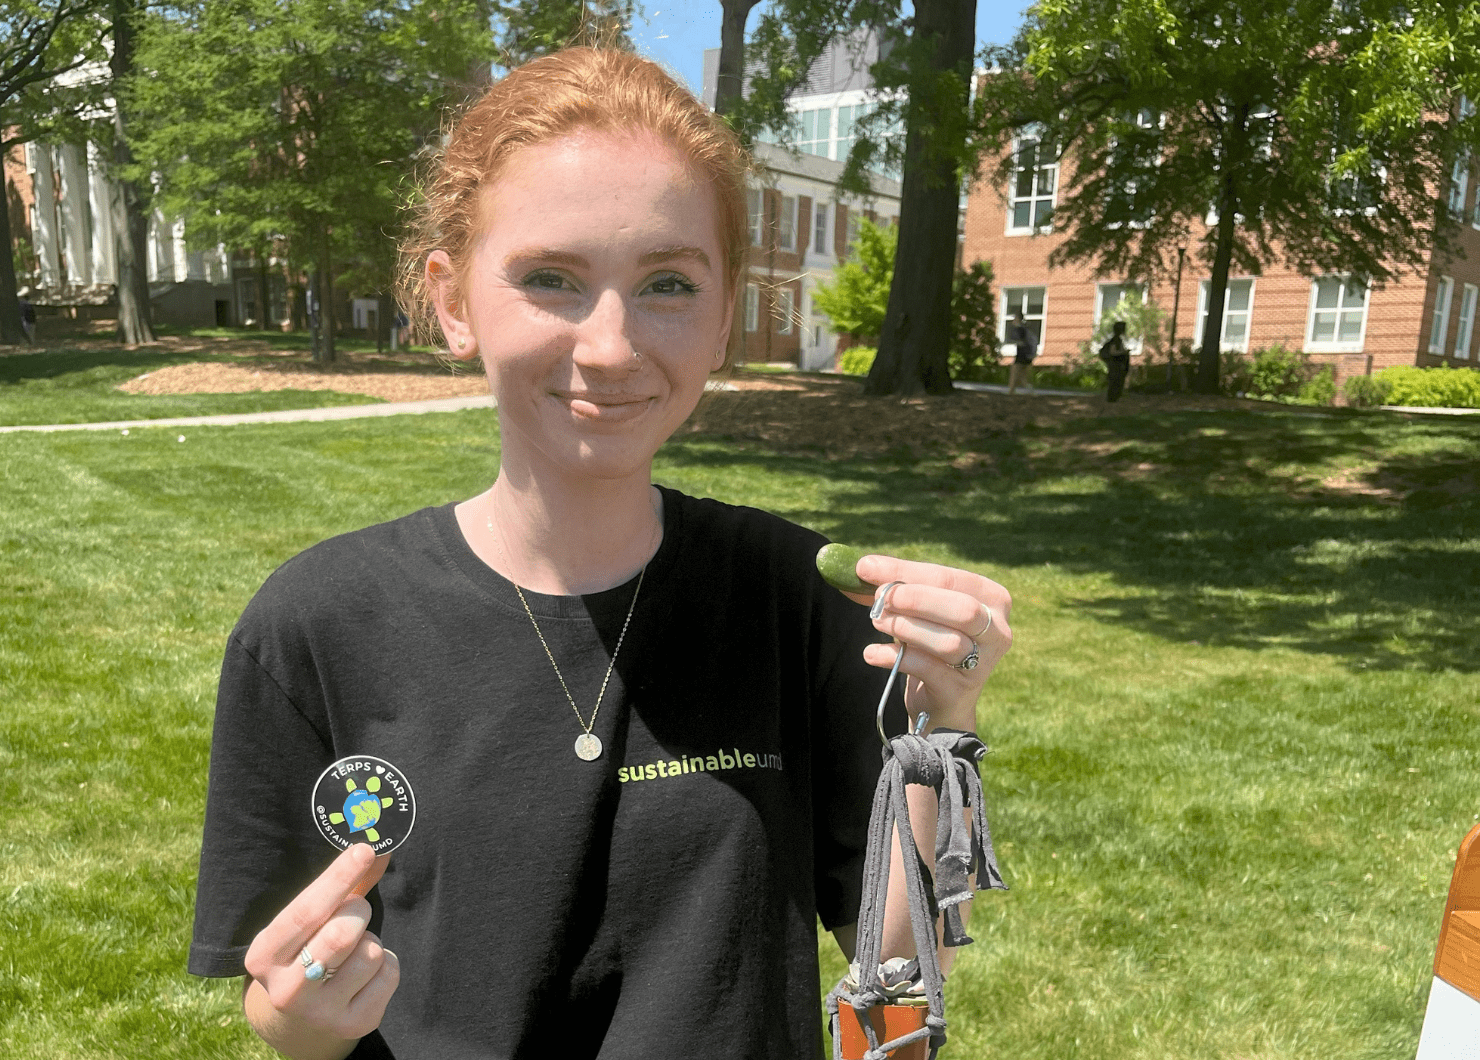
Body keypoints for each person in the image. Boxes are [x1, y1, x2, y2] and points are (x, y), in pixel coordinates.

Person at [187, 47, 1012, 1060]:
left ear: (721, 315)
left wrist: (940, 725)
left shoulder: (796, 604)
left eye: (667, 282)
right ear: (453, 302)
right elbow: (281, 1007)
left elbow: (895, 979)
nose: (612, 345)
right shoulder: (315, 624)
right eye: (551, 279)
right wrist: (296, 1016)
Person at [1098, 319, 1130, 402]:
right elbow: (1113, 352)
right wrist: (1124, 352)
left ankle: (1114, 397)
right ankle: (1112, 398)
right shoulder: (1116, 340)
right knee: (1115, 381)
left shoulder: (1117, 339)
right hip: (1115, 365)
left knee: (1116, 381)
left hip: (1115, 365)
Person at [1007, 311, 1036, 394]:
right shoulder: (1025, 329)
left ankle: (1011, 391)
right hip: (1027, 355)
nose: (1013, 321)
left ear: (1018, 319)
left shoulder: (1020, 330)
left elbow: (1018, 341)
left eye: (1015, 318)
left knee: (1014, 373)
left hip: (1022, 355)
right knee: (1022, 376)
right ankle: (1030, 392)